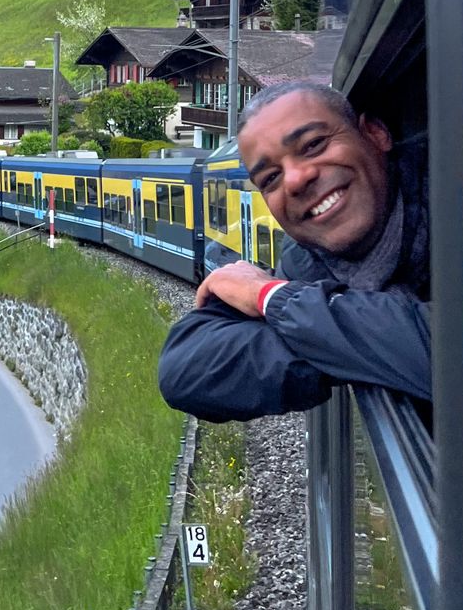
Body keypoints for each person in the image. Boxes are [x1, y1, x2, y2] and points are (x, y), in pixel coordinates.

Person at [158, 81, 431, 423]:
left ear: (375, 134)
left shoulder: (462, 197)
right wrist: (354, 341)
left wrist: (270, 297)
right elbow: (186, 370)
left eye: (314, 144)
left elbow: (458, 351)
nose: (295, 180)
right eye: (271, 178)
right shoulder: (308, 257)